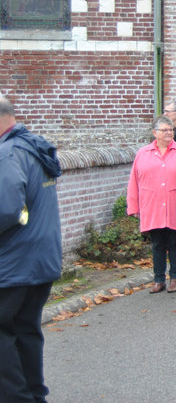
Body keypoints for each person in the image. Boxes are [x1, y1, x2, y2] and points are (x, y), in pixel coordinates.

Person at [0, 97, 62, 402]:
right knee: (26, 329)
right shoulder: (35, 147)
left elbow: (6, 209)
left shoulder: (7, 153)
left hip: (13, 261)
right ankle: (35, 395)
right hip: (41, 259)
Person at [128, 115, 176, 293]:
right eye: (164, 130)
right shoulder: (143, 153)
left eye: (171, 130)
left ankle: (175, 277)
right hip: (152, 205)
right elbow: (134, 181)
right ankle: (158, 279)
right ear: (155, 133)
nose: (169, 133)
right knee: (157, 243)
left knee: (175, 242)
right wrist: (134, 207)